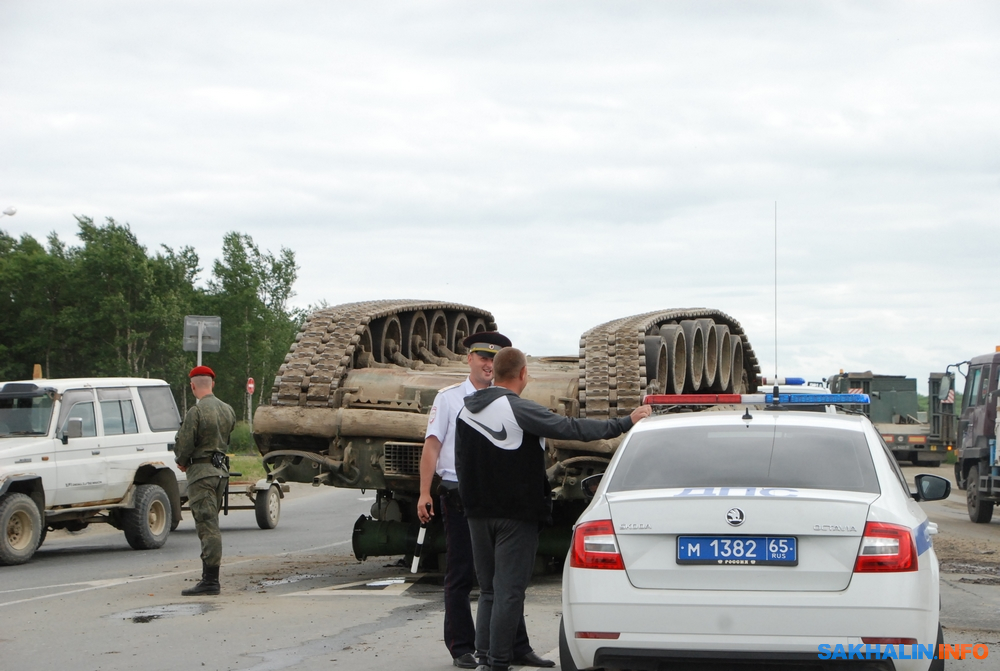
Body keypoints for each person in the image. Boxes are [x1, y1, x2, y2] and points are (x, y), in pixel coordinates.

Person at [456, 347, 652, 671]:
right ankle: (496, 662)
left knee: (491, 589)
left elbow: (460, 464)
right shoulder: (518, 409)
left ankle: (498, 654)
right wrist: (624, 422)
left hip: (477, 513)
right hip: (515, 516)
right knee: (509, 591)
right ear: (522, 374)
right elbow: (571, 429)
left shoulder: (467, 411)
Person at [417, 333, 554, 670]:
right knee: (463, 574)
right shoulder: (450, 399)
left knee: (507, 581)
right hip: (461, 496)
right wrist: (424, 492)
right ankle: (464, 647)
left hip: (498, 498)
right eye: (481, 357)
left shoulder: (508, 401)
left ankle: (515, 646)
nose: (487, 364)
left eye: (493, 359)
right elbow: (432, 446)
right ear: (470, 359)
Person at [174, 365, 236, 596]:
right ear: (213, 384)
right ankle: (209, 578)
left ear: (192, 386)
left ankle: (210, 581)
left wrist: (181, 459)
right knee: (212, 523)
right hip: (220, 473)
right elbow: (225, 440)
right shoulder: (228, 409)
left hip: (201, 474)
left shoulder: (196, 412)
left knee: (207, 526)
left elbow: (186, 443)